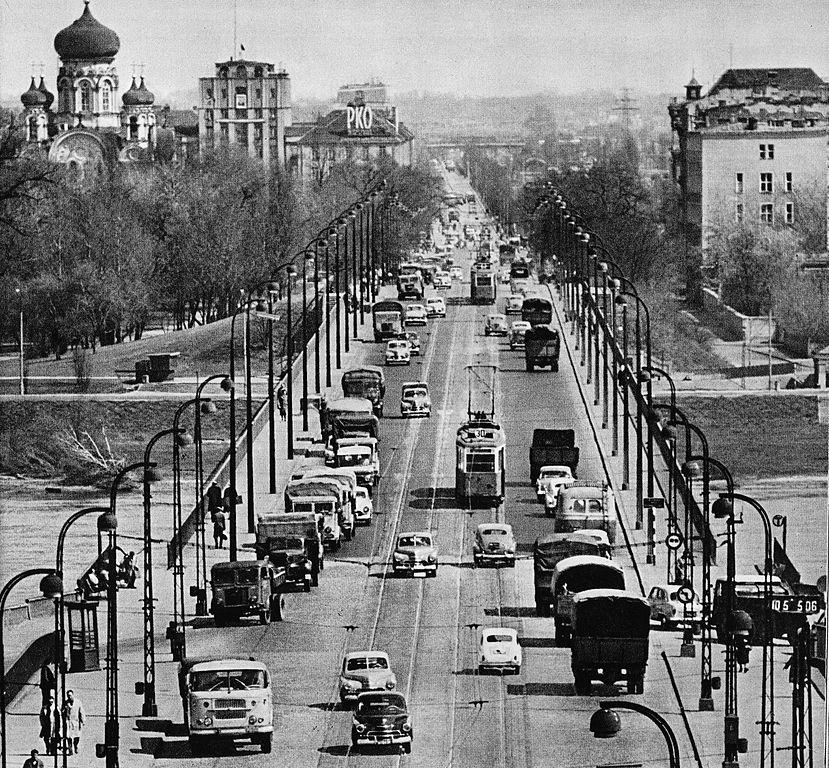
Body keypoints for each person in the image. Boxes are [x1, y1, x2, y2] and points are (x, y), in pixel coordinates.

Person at [62, 690, 85, 754]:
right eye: (68, 696)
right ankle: (70, 749)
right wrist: (65, 710)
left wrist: (83, 720)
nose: (69, 697)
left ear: (73, 695)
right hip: (68, 722)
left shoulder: (78, 702)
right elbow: (62, 712)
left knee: (77, 736)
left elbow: (81, 712)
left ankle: (75, 745)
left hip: (76, 722)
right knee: (68, 736)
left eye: (70, 695)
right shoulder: (65, 703)